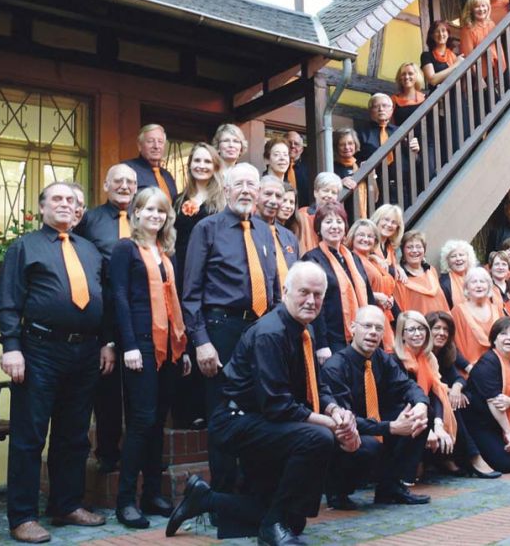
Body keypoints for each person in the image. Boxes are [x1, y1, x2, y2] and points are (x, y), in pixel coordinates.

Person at [166, 262, 359, 544]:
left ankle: (205, 499)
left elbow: (317, 386)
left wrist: (336, 411)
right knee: (318, 438)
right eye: (304, 292)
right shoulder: (271, 333)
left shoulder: (305, 330)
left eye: (318, 294)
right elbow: (278, 405)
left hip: (265, 420)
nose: (311, 300)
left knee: (295, 521)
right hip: (236, 421)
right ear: (286, 292)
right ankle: (272, 528)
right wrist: (332, 426)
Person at [0, 182, 112, 543]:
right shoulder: (24, 246)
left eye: (72, 200)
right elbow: (8, 300)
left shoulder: (89, 250)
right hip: (39, 350)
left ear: (79, 211)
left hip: (85, 352)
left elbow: (102, 299)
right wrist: (11, 346)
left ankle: (66, 504)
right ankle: (23, 516)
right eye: (57, 199)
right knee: (30, 436)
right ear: (42, 208)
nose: (65, 204)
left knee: (73, 435)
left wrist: (106, 343)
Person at [181, 162, 279, 492]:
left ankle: (252, 494)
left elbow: (272, 287)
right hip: (221, 330)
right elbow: (191, 292)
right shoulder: (206, 228)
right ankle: (223, 499)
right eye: (239, 185)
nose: (246, 191)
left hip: (260, 331)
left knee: (258, 410)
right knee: (222, 414)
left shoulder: (264, 231)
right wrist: (201, 341)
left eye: (252, 185)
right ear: (226, 190)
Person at [110, 187, 191, 528]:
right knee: (141, 422)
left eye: (161, 211)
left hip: (169, 346)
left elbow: (174, 303)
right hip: (140, 345)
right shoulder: (125, 249)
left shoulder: (165, 253)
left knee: (158, 421)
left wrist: (182, 348)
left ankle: (152, 494)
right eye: (149, 210)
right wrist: (127, 345)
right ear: (137, 214)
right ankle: (125, 501)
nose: (156, 216)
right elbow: (119, 298)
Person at [321, 306, 431, 510]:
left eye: (378, 328)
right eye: (367, 326)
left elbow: (407, 385)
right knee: (369, 445)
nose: (373, 332)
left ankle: (391, 488)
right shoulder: (335, 367)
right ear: (353, 328)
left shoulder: (381, 358)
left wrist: (421, 405)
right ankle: (338, 491)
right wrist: (390, 427)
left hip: (375, 422)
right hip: (346, 430)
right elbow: (344, 421)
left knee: (420, 417)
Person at [74, 163, 137, 473]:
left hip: (139, 312)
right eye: (118, 181)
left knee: (139, 389)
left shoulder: (145, 216)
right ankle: (108, 454)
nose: (124, 186)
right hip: (105, 312)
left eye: (130, 182)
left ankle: (138, 454)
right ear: (105, 185)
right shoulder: (90, 220)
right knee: (108, 388)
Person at [427, 311, 499, 477]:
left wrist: (457, 388)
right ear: (427, 330)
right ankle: (472, 456)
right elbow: (429, 385)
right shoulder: (423, 353)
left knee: (468, 399)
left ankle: (459, 455)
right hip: (428, 401)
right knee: (454, 405)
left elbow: (458, 377)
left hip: (443, 397)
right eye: (437, 328)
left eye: (446, 329)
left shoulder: (445, 352)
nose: (442, 333)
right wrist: (449, 391)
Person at [301, 202, 374, 362]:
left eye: (339, 222)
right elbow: (313, 304)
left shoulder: (354, 258)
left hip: (360, 338)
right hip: (332, 342)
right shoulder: (312, 259)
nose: (334, 226)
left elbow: (368, 296)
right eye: (328, 222)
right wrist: (322, 344)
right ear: (319, 228)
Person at [462, 317, 510, 472]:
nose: (509, 338)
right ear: (494, 339)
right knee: (505, 466)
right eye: (503, 334)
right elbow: (495, 402)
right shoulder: (488, 361)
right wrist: (509, 433)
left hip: (505, 413)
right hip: (481, 421)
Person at [392, 312, 459, 481]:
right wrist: (427, 429)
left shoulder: (428, 358)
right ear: (402, 334)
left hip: (424, 411)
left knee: (451, 406)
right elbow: (400, 400)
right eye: (411, 329)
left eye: (421, 329)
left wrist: (437, 425)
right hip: (401, 413)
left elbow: (436, 393)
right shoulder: (395, 360)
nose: (417, 334)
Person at [173, 143, 226, 296]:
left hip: (213, 269)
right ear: (190, 165)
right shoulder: (178, 200)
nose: (201, 166)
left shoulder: (223, 201)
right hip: (182, 267)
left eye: (207, 161)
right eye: (197, 161)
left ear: (215, 166)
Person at [357, 94, 420, 204]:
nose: (381, 109)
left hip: (402, 186)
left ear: (391, 110)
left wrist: (415, 152)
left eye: (385, 106)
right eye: (376, 106)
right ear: (370, 111)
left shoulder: (401, 132)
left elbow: (415, 161)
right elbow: (355, 161)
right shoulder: (361, 134)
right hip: (375, 187)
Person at [347, 219, 397, 351]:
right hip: (367, 321)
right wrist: (375, 296)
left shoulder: (373, 260)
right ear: (352, 237)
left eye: (370, 236)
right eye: (361, 235)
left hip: (383, 317)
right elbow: (351, 290)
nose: (365, 239)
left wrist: (389, 299)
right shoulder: (350, 259)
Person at [255, 176, 299, 293]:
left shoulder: (290, 237)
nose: (273, 200)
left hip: (288, 300)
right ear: (256, 196)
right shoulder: (247, 230)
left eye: (279, 196)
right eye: (268, 194)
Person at [452, 267, 502, 368]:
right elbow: (453, 346)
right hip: (469, 370)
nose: (478, 285)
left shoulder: (498, 310)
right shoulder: (458, 311)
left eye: (482, 281)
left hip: (497, 368)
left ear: (489, 286)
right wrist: (467, 367)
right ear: (467, 287)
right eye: (474, 282)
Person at [394, 230, 451, 315]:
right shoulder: (399, 277)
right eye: (409, 247)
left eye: (418, 247)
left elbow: (442, 302)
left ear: (424, 250)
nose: (414, 250)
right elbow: (401, 311)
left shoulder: (431, 270)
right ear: (403, 251)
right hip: (418, 323)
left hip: (441, 322)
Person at [123, 123, 177, 202]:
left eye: (160, 142)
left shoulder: (168, 176)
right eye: (150, 141)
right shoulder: (127, 169)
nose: (156, 146)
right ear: (139, 145)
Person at [460, 0, 506, 80]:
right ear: (471, 10)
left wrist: (502, 69)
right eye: (477, 6)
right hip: (480, 75)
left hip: (496, 70)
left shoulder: (491, 24)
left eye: (483, 6)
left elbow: (498, 48)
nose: (481, 9)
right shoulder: (468, 29)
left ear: (488, 8)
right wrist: (479, 79)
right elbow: (468, 57)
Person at [334, 127, 375, 220]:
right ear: (336, 146)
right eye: (342, 144)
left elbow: (375, 196)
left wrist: (371, 176)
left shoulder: (361, 165)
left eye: (350, 143)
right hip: (343, 217)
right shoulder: (333, 167)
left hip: (365, 217)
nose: (347, 147)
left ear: (355, 144)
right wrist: (339, 183)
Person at [297, 171, 342, 255]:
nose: (329, 195)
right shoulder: (303, 215)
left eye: (333, 192)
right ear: (316, 193)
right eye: (326, 191)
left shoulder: (339, 219)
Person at [420, 20, 464, 92]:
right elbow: (432, 80)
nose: (440, 34)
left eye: (443, 31)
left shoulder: (454, 56)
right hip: (438, 97)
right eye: (437, 31)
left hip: (457, 95)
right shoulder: (426, 56)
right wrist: (456, 65)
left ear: (448, 34)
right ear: (432, 35)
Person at [439, 239, 478, 308]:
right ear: (447, 261)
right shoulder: (444, 284)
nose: (458, 259)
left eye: (461, 255)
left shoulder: (477, 275)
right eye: (453, 256)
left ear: (468, 257)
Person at [371, 204, 407, 278]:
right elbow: (359, 258)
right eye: (386, 219)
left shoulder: (389, 248)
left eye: (394, 222)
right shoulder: (367, 241)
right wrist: (374, 257)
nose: (389, 224)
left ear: (397, 228)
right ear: (377, 220)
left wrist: (398, 268)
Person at [391, 62, 427, 126]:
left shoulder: (425, 99)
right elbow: (391, 124)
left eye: (410, 74)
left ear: (417, 76)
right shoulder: (393, 100)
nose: (406, 77)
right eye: (403, 74)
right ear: (400, 78)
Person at [285, 130, 312, 207]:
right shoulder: (276, 167)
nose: (292, 146)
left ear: (301, 150)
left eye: (296, 144)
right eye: (289, 143)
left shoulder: (310, 169)